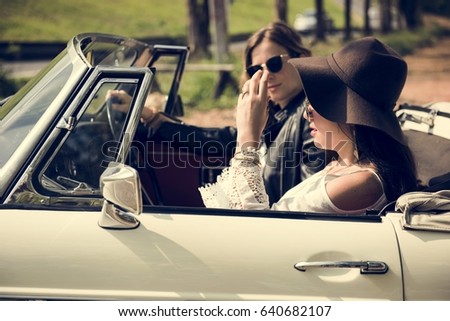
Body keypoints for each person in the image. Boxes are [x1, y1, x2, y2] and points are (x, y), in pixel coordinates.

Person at [108, 21, 332, 205]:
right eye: (256, 69)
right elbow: (215, 138)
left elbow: (307, 203)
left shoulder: (312, 116)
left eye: (274, 64)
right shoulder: (275, 114)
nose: (265, 76)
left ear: (301, 57)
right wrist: (151, 116)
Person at [199, 36, 418, 214]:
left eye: (320, 101)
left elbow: (257, 228)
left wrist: (247, 140)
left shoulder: (361, 182)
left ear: (353, 114)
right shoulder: (343, 165)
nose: (307, 112)